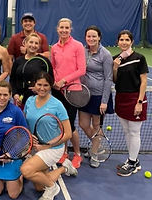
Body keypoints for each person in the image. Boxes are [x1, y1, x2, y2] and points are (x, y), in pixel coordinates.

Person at [21, 72, 77, 200]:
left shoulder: (57, 105)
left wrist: (47, 146)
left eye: (46, 85)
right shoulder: (29, 101)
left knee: (26, 170)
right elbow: (25, 123)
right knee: (39, 187)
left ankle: (53, 188)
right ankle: (64, 168)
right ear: (34, 85)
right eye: (39, 84)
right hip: (35, 147)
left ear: (51, 85)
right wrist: (29, 135)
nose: (42, 88)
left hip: (53, 148)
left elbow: (68, 133)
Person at [50, 18, 86, 168]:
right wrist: (54, 82)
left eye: (67, 28)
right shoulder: (54, 48)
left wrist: (63, 81)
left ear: (71, 29)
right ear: (57, 29)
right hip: (57, 91)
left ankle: (77, 154)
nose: (64, 30)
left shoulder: (78, 46)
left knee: (69, 125)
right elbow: (52, 67)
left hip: (73, 91)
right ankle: (64, 152)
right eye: (61, 27)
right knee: (60, 125)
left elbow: (81, 69)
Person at [113, 30, 148, 177]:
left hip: (135, 99)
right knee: (127, 132)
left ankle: (132, 163)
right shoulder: (116, 59)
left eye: (127, 40)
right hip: (121, 98)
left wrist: (139, 102)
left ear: (132, 41)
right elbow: (115, 80)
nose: (124, 42)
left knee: (134, 132)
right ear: (118, 42)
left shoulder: (139, 58)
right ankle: (133, 160)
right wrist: (115, 67)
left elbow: (144, 81)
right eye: (121, 40)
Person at [79, 25, 114, 168]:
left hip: (99, 95)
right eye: (89, 36)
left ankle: (94, 154)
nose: (91, 39)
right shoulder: (83, 50)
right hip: (84, 94)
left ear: (99, 37)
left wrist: (104, 101)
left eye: (94, 36)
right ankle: (96, 145)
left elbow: (109, 78)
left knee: (96, 125)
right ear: (85, 38)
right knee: (83, 124)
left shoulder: (105, 54)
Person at [10, 33, 54, 110]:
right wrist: (15, 95)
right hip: (20, 100)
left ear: (39, 46)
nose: (33, 45)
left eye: (36, 43)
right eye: (31, 42)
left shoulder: (44, 61)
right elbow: (12, 80)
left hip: (38, 99)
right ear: (25, 43)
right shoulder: (18, 61)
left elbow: (51, 81)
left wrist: (39, 88)